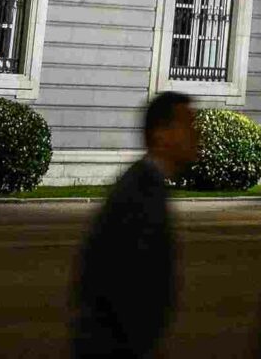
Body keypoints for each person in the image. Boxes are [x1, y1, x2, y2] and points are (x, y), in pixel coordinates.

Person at [71, 90, 198, 358]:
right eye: (187, 126)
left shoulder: (146, 183)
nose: (197, 135)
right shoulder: (141, 191)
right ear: (161, 135)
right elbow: (122, 283)